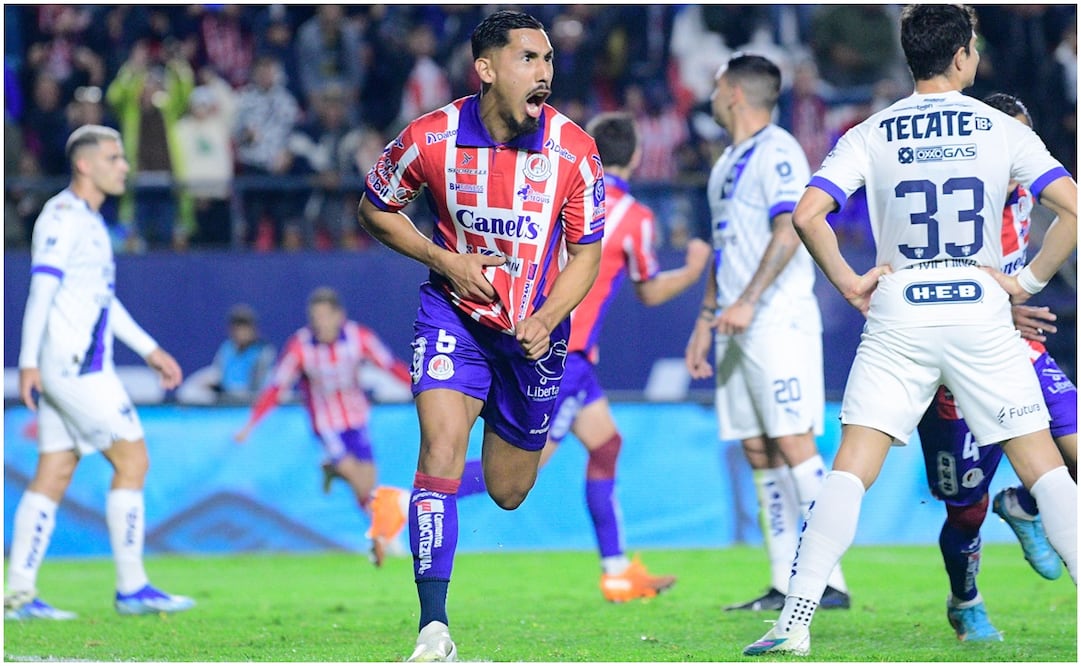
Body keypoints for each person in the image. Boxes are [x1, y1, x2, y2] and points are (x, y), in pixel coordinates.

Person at [744, 5, 1078, 657]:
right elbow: (1071, 208)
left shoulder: (873, 130)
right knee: (1045, 473)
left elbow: (808, 215)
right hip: (979, 309)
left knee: (849, 471)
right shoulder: (998, 127)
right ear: (962, 56)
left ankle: (794, 622)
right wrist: (1027, 282)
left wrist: (850, 282)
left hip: (900, 310)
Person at [357, 10, 605, 662]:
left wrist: (546, 318)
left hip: (532, 336)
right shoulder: (429, 137)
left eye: (548, 60)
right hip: (453, 316)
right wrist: (445, 261)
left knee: (508, 489)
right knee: (440, 447)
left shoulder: (574, 150)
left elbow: (586, 254)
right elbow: (374, 208)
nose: (545, 73)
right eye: (529, 59)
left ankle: (410, 506)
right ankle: (432, 629)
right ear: (486, 69)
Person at [445, 112, 710, 602]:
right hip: (563, 354)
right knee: (519, 470)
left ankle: (616, 571)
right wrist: (693, 271)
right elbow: (649, 291)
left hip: (551, 342)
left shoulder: (560, 190)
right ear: (635, 155)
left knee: (606, 444)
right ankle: (408, 499)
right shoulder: (634, 217)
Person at [5, 125, 195, 620]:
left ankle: (18, 594)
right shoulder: (62, 217)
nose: (124, 167)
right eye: (114, 158)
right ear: (84, 164)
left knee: (54, 471)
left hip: (72, 366)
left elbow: (101, 298)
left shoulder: (90, 222)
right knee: (133, 460)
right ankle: (132, 588)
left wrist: (149, 349)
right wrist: (28, 361)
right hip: (76, 368)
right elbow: (41, 290)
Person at [683, 53, 851, 613]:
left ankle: (829, 580)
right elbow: (725, 248)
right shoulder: (726, 161)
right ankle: (784, 579)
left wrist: (750, 300)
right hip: (735, 323)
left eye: (716, 87)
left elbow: (789, 229)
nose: (710, 96)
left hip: (776, 318)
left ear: (734, 92)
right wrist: (707, 318)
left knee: (793, 439)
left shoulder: (778, 150)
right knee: (757, 447)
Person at [915, 92, 1077, 642]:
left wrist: (1020, 293)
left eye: (1022, 143)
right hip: (955, 358)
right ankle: (965, 601)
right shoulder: (945, 204)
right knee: (967, 511)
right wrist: (1002, 306)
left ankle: (1026, 505)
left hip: (1017, 347)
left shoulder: (1034, 189)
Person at [233, 287, 412, 565]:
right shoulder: (300, 346)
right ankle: (385, 535)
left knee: (367, 484)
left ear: (339, 316)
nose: (320, 323)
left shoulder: (359, 337)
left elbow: (390, 365)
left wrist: (419, 389)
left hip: (358, 419)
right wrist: (251, 424)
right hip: (327, 424)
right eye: (315, 317)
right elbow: (277, 386)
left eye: (326, 316)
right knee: (355, 476)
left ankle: (335, 474)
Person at [177, 303, 276, 405]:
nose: (241, 332)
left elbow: (258, 385)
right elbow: (218, 373)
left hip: (250, 398)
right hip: (224, 397)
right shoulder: (227, 348)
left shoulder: (263, 351)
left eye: (244, 328)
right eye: (237, 328)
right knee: (188, 391)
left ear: (253, 329)